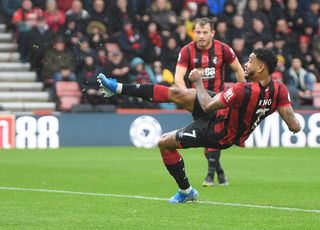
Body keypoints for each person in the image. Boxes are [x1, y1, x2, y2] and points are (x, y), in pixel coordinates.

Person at [98, 48, 301, 203]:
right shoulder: (279, 89)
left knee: (164, 142)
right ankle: (117, 88)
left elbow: (206, 105)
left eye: (249, 61)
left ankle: (186, 192)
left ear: (260, 68)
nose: (245, 64)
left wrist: (198, 81)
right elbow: (293, 125)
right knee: (178, 94)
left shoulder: (242, 90)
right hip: (223, 114)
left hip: (219, 132)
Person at [174, 18, 245, 187]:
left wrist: (241, 94)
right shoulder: (187, 51)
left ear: (212, 33)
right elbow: (178, 76)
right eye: (198, 32)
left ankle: (209, 175)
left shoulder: (223, 49)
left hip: (217, 102)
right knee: (207, 141)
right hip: (197, 103)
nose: (201, 36)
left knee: (214, 137)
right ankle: (220, 172)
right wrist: (185, 95)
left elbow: (238, 70)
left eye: (205, 32)